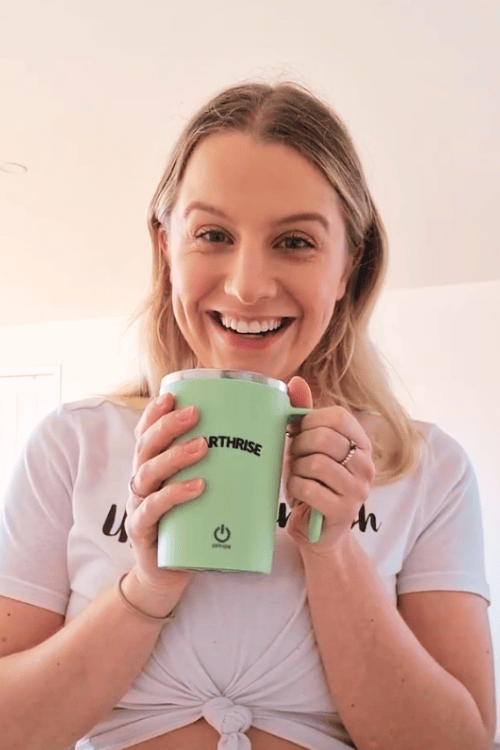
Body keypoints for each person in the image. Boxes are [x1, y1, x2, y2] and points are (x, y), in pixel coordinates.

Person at [0, 80, 496, 750]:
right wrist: (147, 587)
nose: (246, 286)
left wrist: (333, 551)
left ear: (349, 263)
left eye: (295, 242)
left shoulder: (429, 469)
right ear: (164, 246)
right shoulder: (73, 445)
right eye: (212, 234)